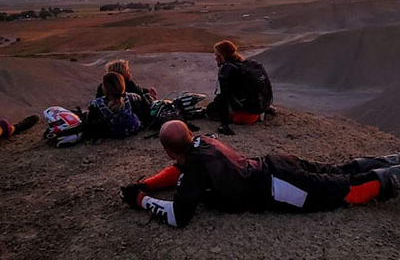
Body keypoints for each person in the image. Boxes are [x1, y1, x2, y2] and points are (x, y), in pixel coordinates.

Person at [120, 120, 400, 228]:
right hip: (278, 164)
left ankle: (393, 177)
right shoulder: (201, 143)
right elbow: (176, 169)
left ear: (169, 151)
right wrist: (146, 184)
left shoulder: (193, 166)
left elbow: (178, 216)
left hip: (280, 186)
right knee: (340, 171)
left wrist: (140, 199)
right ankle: (391, 161)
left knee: (345, 190)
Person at [206, 40, 274, 135]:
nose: (215, 58)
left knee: (211, 110)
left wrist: (224, 124)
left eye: (217, 55)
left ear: (222, 55)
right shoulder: (246, 65)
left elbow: (225, 98)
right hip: (262, 105)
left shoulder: (227, 70)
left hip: (249, 112)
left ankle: (254, 116)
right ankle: (261, 113)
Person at [85, 72, 150, 140]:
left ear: (105, 88)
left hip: (110, 136)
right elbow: (147, 116)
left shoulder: (95, 105)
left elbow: (90, 129)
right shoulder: (134, 98)